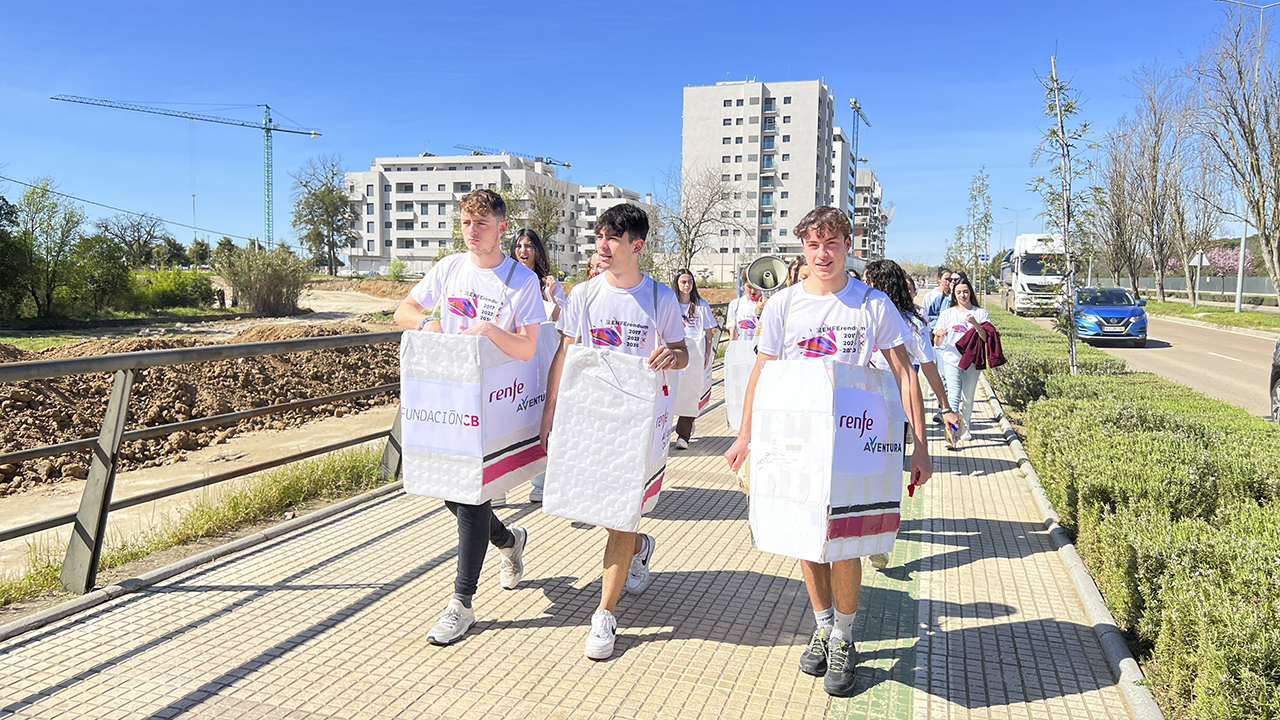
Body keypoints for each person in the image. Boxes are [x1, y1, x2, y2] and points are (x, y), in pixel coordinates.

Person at [724, 207, 932, 697]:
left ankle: (844, 636)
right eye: (813, 245)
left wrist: (920, 446)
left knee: (845, 541)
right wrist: (745, 434)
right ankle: (822, 626)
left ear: (847, 246)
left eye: (832, 243)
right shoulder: (783, 305)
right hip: (795, 440)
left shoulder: (872, 304)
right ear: (803, 248)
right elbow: (762, 374)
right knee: (805, 539)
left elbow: (905, 374)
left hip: (854, 439)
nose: (822, 254)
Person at [392, 189, 546, 645]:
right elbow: (404, 310)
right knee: (453, 494)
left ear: (502, 227)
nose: (472, 232)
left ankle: (461, 603)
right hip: (448, 403)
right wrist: (427, 323)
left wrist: (490, 330)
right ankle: (509, 541)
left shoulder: (521, 280)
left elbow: (528, 347)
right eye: (465, 223)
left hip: (494, 403)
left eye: (481, 223)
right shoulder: (449, 269)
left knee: (472, 498)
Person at [541, 203, 689, 660]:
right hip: (590, 419)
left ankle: (604, 614)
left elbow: (682, 350)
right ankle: (640, 547)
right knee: (597, 508)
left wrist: (673, 356)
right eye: (599, 236)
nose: (601, 245)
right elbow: (566, 352)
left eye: (611, 238)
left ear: (636, 245)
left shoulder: (660, 298)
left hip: (637, 423)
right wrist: (550, 410)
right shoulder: (584, 294)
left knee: (622, 513)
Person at [863, 260, 959, 568]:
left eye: (867, 281)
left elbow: (928, 367)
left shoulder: (913, 321)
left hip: (894, 408)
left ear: (879, 284)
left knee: (887, 472)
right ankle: (867, 529)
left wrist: (945, 406)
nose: (862, 287)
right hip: (857, 407)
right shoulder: (858, 313)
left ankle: (880, 537)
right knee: (863, 472)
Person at [933, 275, 988, 446]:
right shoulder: (947, 314)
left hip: (972, 361)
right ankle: (952, 433)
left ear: (970, 293)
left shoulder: (980, 313)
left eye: (965, 292)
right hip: (951, 359)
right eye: (958, 292)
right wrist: (939, 335)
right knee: (953, 395)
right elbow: (937, 342)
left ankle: (966, 426)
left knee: (968, 397)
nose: (962, 295)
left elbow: (986, 338)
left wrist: (976, 324)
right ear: (954, 294)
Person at [672, 268, 717, 450]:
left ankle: (683, 434)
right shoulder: (671, 304)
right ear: (677, 284)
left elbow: (708, 331)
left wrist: (707, 352)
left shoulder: (701, 305)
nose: (687, 285)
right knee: (673, 391)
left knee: (692, 392)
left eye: (690, 281)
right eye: (683, 282)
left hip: (695, 354)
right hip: (675, 352)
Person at [510, 228, 566, 323]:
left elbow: (561, 320)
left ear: (537, 250)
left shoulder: (550, 283)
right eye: (518, 246)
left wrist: (548, 294)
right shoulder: (508, 281)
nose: (523, 250)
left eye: (528, 246)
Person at [727, 270, 762, 343]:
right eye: (749, 287)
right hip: (742, 347)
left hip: (761, 347)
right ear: (743, 286)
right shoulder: (735, 304)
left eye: (756, 287)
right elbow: (733, 332)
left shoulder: (769, 304)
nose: (753, 291)